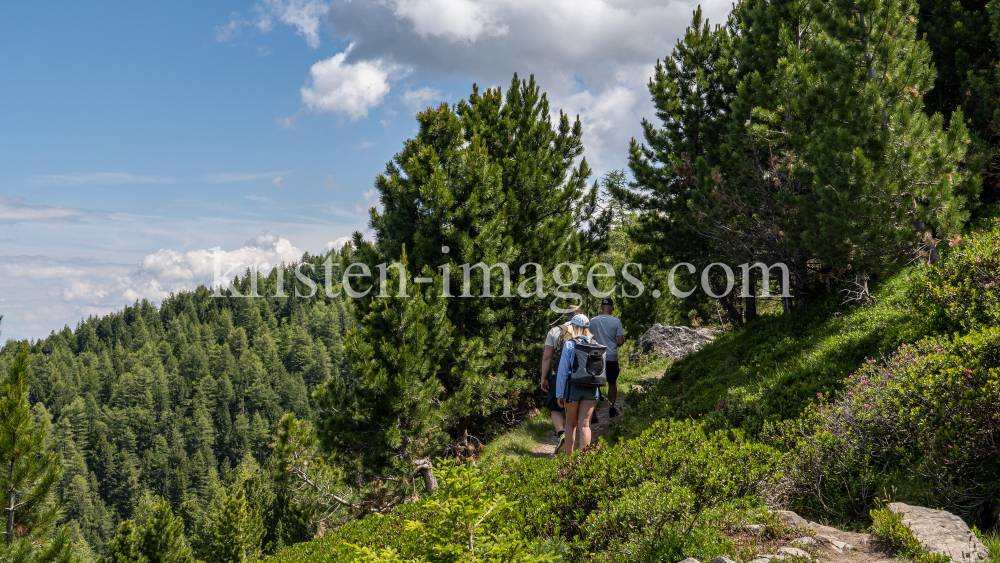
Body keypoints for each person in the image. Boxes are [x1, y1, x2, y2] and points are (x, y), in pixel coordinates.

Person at [555, 314, 600, 455]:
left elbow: (562, 372)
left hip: (573, 387)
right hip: (592, 388)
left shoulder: (570, 344)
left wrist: (559, 394)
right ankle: (583, 461)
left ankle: (569, 459)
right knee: (585, 425)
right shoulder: (595, 344)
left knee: (570, 424)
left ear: (574, 327)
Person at [540, 305, 581, 454]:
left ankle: (560, 434)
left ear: (567, 315)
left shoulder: (555, 330)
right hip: (580, 376)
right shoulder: (584, 329)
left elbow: (547, 356)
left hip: (558, 374)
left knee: (555, 408)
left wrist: (544, 378)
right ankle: (577, 446)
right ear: (579, 315)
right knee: (575, 409)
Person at [589, 297, 625, 418]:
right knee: (612, 383)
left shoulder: (592, 321)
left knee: (594, 384)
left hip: (596, 356)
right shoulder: (616, 322)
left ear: (600, 307)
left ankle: (592, 412)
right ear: (612, 308)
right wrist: (611, 345)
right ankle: (611, 409)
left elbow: (588, 338)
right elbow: (620, 341)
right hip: (610, 356)